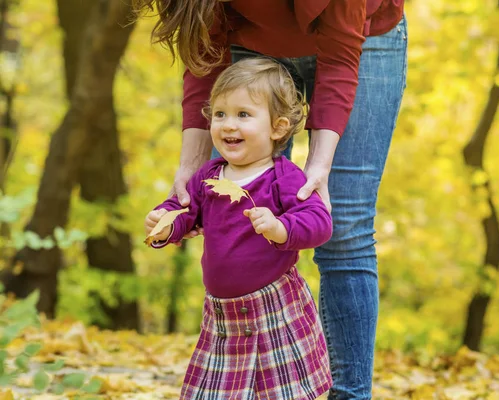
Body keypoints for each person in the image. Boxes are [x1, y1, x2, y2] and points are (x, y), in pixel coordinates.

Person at [136, 0, 407, 398]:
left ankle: (349, 393)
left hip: (363, 42)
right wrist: (187, 173)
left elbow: (340, 59)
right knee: (229, 211)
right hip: (250, 46)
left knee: (344, 226)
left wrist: (319, 167)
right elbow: (203, 55)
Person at [145, 58, 333, 399]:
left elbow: (320, 223)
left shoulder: (284, 177)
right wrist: (165, 222)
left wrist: (281, 228)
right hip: (222, 316)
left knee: (279, 393)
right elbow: (186, 212)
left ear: (277, 127)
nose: (228, 125)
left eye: (243, 115)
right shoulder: (209, 176)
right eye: (220, 114)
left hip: (273, 307)